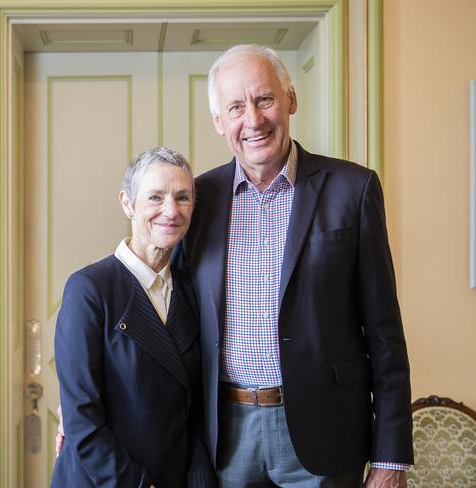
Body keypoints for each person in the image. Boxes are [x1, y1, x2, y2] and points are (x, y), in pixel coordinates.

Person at [177, 44, 413, 487]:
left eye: (264, 98)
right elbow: (170, 322)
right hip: (225, 437)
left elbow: (385, 332)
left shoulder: (353, 189)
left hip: (326, 431)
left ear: (290, 100)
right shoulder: (199, 200)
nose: (253, 119)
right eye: (235, 107)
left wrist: (392, 455)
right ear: (218, 122)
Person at [51, 147, 216, 487]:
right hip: (103, 480)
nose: (170, 211)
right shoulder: (89, 289)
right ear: (127, 203)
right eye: (155, 197)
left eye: (182, 197)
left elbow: (196, 407)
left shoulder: (192, 291)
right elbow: (81, 421)